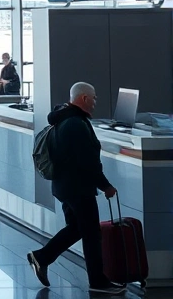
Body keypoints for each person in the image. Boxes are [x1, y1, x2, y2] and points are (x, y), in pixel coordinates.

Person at [27, 82, 124, 295]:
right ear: (84, 99)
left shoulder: (64, 119)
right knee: (91, 234)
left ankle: (41, 257)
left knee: (77, 228)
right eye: (94, 98)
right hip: (78, 188)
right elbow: (87, 162)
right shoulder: (76, 124)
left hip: (64, 186)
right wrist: (105, 185)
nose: (96, 102)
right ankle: (98, 281)